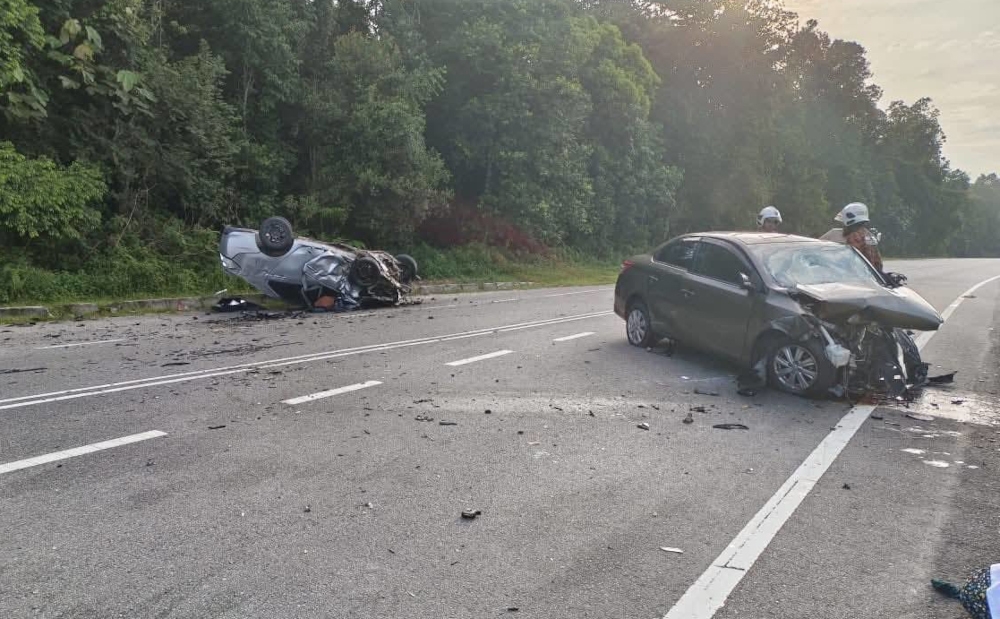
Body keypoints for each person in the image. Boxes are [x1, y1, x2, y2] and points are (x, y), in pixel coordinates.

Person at [821, 202, 884, 273]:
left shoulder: (853, 237)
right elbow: (878, 266)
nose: (843, 225)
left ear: (850, 220)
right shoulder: (870, 236)